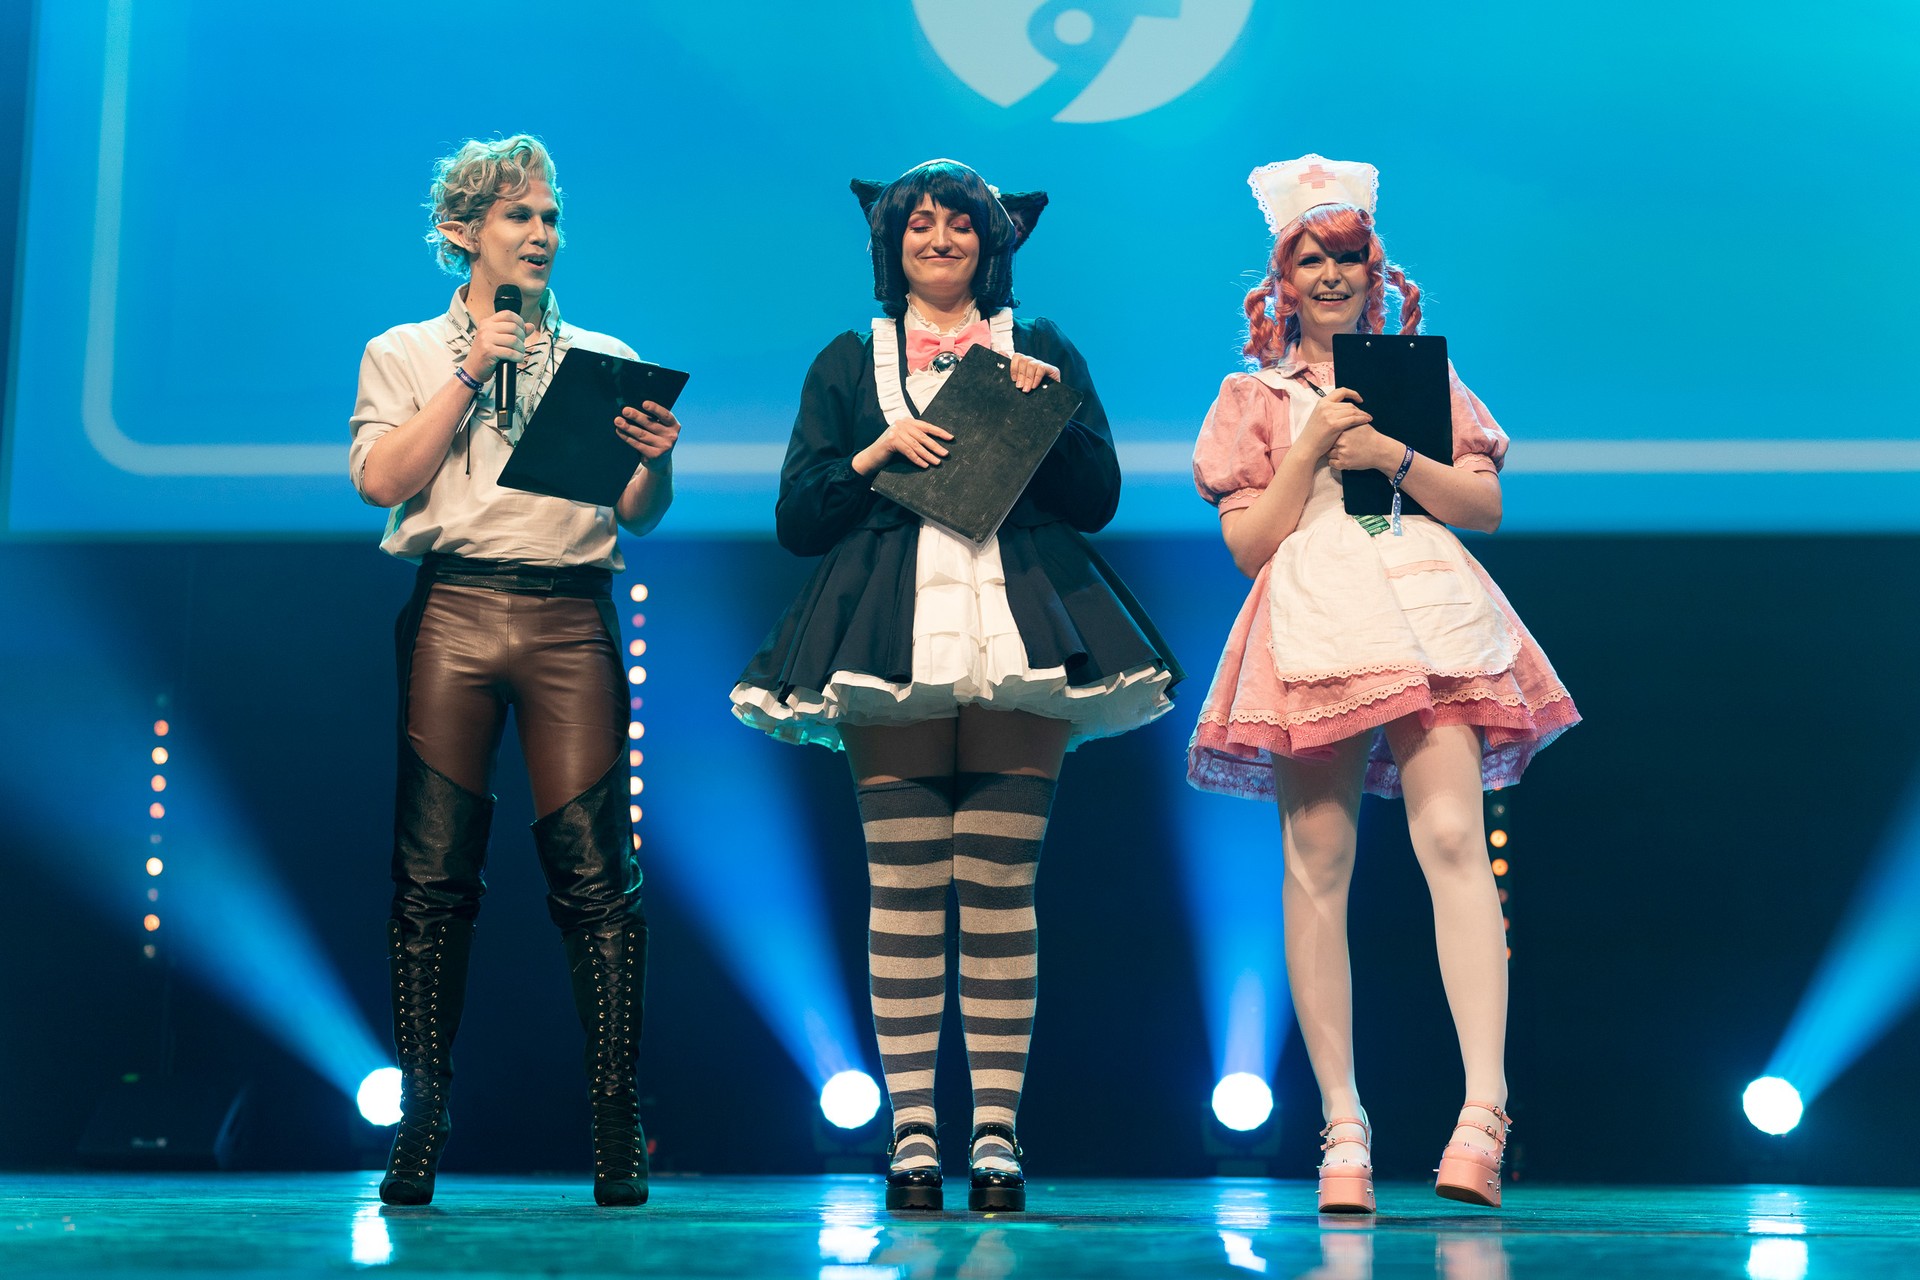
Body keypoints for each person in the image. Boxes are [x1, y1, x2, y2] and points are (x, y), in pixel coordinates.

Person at [731, 159, 1181, 1213]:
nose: (939, 240)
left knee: (999, 886)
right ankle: (912, 1135)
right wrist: (874, 453)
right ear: (890, 244)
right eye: (919, 224)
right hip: (889, 628)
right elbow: (799, 516)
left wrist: (1044, 406)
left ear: (993, 241)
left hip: (1019, 621)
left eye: (960, 224)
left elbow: (1099, 496)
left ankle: (996, 1135)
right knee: (902, 886)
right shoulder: (850, 358)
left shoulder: (1042, 343)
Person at [1188, 155, 1579, 1212]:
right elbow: (1247, 545)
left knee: (1454, 839)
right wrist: (1314, 444)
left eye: (1347, 257)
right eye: (1309, 258)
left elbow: (1482, 505)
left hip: (1423, 605)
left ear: (1375, 272)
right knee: (1317, 862)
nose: (1330, 274)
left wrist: (1393, 453)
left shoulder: (1422, 378)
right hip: (1313, 610)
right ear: (1281, 279)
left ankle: (1483, 1113)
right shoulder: (1253, 398)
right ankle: (1343, 1126)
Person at [347, 135, 680, 1208]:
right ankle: (422, 1120)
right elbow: (380, 481)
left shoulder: (600, 354)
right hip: (453, 604)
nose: (540, 234)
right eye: (517, 216)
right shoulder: (403, 349)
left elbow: (639, 513)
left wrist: (655, 459)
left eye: (549, 217)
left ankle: (616, 1121)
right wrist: (468, 370)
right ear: (463, 232)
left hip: (569, 613)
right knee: (433, 873)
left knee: (596, 872)